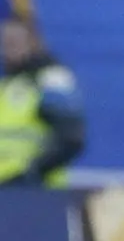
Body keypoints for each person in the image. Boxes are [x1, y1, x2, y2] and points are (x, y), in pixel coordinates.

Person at [0, 15, 85, 187]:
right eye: (4, 43)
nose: (8, 49)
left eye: (14, 42)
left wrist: (31, 173)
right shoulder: (7, 85)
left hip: (38, 191)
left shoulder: (50, 80)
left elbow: (70, 138)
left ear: (34, 43)